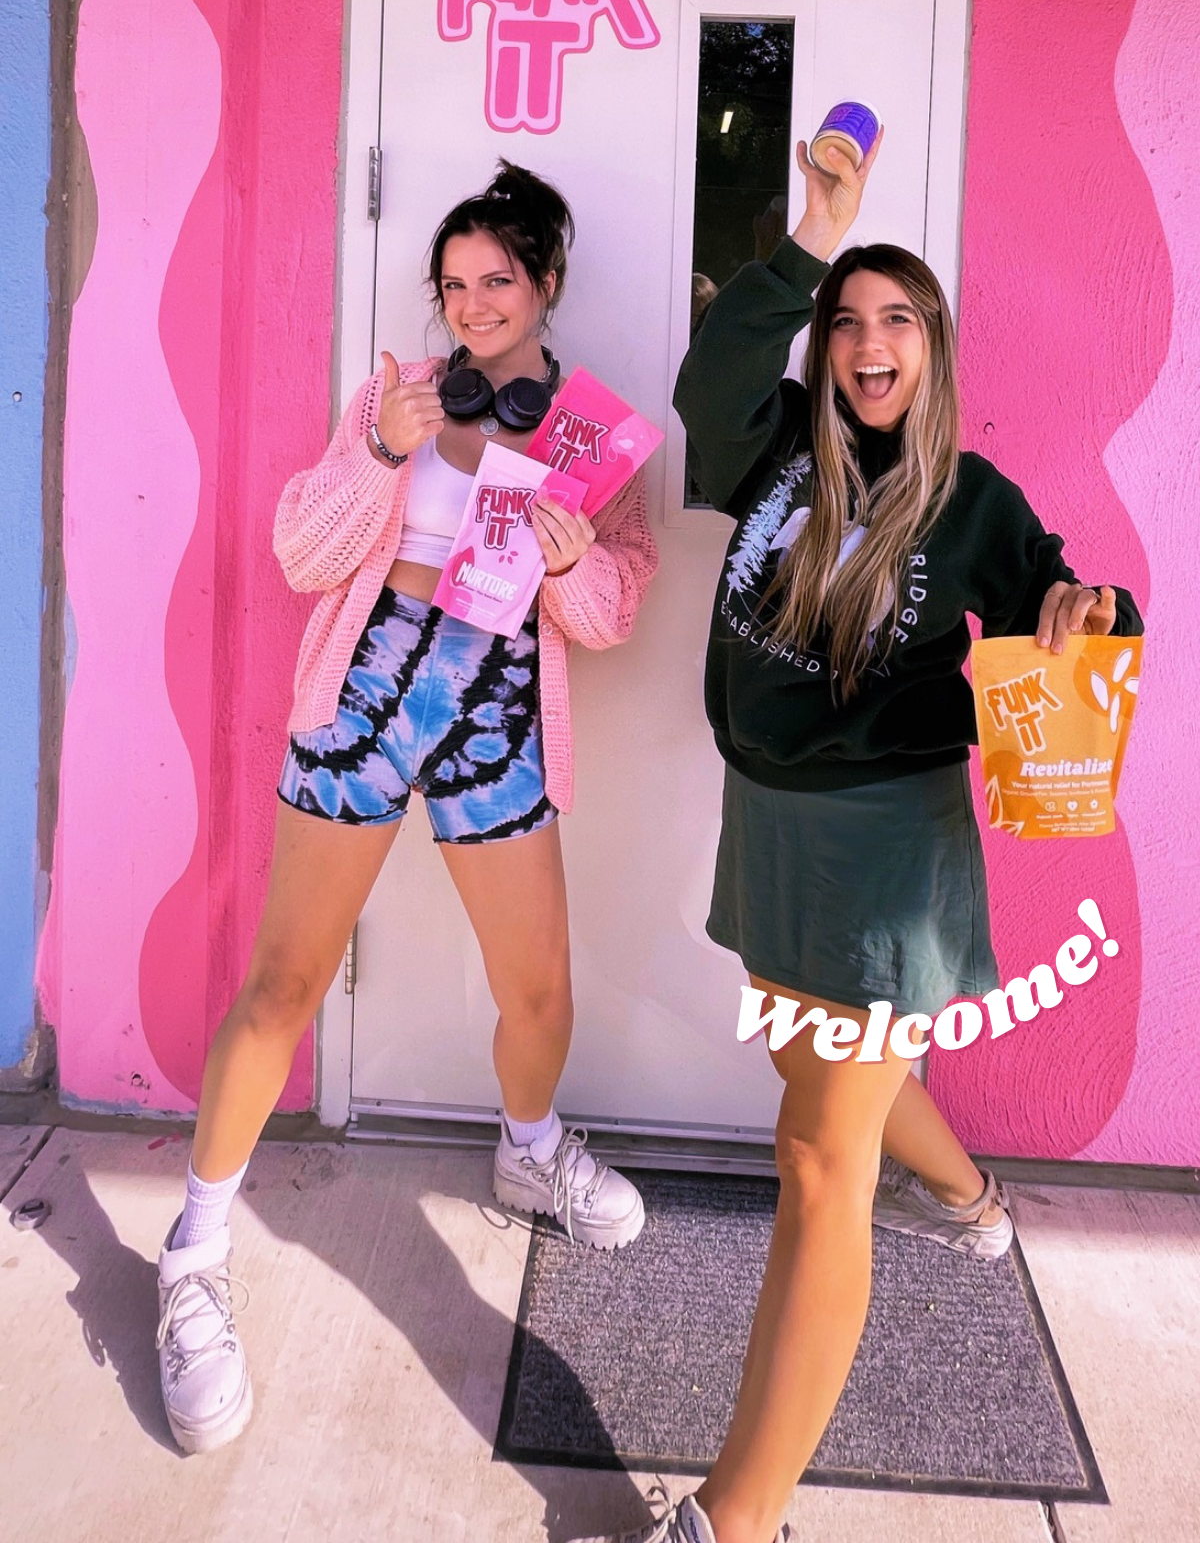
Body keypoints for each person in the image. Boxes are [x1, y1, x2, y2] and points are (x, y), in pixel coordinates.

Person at [574, 134, 1142, 1543]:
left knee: (820, 1161)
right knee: (816, 1073)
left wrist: (1085, 613)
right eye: (847, 320)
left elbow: (1069, 602)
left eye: (898, 320)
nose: (869, 341)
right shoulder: (774, 446)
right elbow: (709, 381)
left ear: (932, 350)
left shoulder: (970, 498)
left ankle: (737, 1519)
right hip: (770, 827)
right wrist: (813, 237)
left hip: (890, 850)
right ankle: (969, 1195)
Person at [155, 161, 659, 1455]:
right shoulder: (396, 399)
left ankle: (529, 1147)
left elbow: (613, 615)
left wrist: (571, 563)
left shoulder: (597, 435)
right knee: (285, 982)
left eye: (499, 279)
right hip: (366, 694)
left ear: (546, 282)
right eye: (454, 284)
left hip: (497, 710)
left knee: (539, 990)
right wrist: (383, 448)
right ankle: (193, 1256)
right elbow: (303, 553)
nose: (474, 304)